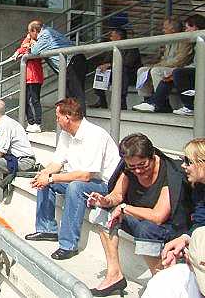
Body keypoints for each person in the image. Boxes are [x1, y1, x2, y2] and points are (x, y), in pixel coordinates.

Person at [86, 133, 191, 296]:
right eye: (132, 167)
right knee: (101, 212)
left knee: (146, 228)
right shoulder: (129, 169)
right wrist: (105, 201)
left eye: (143, 165)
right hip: (138, 217)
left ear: (152, 156)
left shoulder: (169, 172)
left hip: (166, 227)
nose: (138, 170)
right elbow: (117, 195)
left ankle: (161, 279)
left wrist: (124, 208)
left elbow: (158, 216)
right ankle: (114, 275)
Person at [25, 98, 120, 260]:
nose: (56, 120)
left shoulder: (94, 135)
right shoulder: (65, 134)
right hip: (80, 179)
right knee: (46, 179)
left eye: (58, 116)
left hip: (105, 185)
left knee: (75, 186)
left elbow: (86, 175)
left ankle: (68, 245)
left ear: (68, 117)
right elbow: (57, 162)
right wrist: (44, 174)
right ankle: (47, 228)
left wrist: (51, 178)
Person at [140, 138, 205, 298]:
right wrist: (185, 240)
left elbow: (158, 216)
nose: (183, 166)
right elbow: (200, 221)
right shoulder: (199, 188)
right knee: (160, 283)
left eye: (188, 162)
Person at [135, 14, 205, 114]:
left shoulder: (189, 41)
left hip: (182, 67)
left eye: (187, 28)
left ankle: (161, 103)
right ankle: (150, 100)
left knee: (170, 72)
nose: (185, 31)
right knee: (143, 70)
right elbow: (165, 59)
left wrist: (165, 68)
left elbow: (182, 60)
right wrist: (157, 65)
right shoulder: (172, 41)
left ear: (196, 27)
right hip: (185, 69)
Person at [27, 19, 88, 112]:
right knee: (69, 94)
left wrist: (31, 42)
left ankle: (81, 120)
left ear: (34, 31)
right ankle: (73, 120)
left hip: (72, 62)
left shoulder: (45, 34)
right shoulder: (48, 31)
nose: (29, 36)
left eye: (29, 33)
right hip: (72, 63)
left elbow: (34, 51)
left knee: (76, 94)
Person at [90, 28, 141, 110]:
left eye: (112, 36)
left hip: (131, 74)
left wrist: (109, 65)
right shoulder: (113, 47)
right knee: (100, 70)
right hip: (115, 72)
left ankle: (122, 101)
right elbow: (106, 61)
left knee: (122, 70)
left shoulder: (131, 47)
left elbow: (128, 63)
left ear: (119, 36)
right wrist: (103, 66)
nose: (110, 38)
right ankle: (101, 100)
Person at [11, 31, 44, 133]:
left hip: (35, 77)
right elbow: (23, 47)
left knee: (35, 100)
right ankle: (31, 122)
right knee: (24, 101)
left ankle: (38, 123)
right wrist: (17, 52)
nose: (29, 35)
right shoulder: (28, 40)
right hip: (27, 77)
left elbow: (31, 50)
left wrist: (27, 47)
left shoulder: (40, 42)